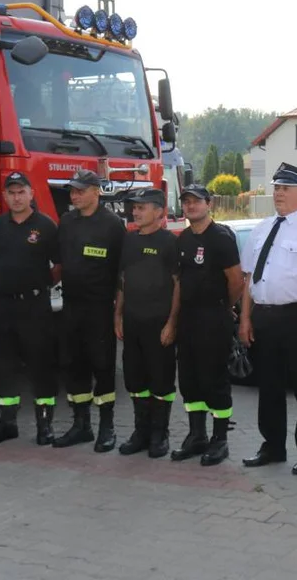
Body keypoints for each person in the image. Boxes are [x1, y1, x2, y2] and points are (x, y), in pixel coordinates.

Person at [239, 163, 297, 476]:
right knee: (269, 387)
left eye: (285, 188)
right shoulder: (261, 228)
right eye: (276, 188)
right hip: (264, 317)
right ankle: (273, 446)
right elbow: (249, 278)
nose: (278, 193)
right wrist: (245, 319)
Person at [0, 173, 62, 446]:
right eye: (12, 193)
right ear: (5, 196)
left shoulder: (46, 225)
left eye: (21, 192)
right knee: (3, 365)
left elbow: (58, 265)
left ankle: (44, 425)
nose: (16, 198)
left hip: (34, 306)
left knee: (41, 364)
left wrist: (39, 284)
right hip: (3, 305)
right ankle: (6, 423)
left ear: (31, 194)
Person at [54, 169, 126, 451]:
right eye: (72, 191)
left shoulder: (112, 225)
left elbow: (122, 273)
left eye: (80, 191)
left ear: (96, 192)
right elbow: (58, 262)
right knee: (74, 366)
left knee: (103, 366)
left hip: (99, 309)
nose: (74, 196)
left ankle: (107, 427)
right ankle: (80, 425)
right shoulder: (67, 222)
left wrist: (118, 312)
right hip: (71, 307)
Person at [172, 184, 244, 466]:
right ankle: (196, 435)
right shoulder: (183, 238)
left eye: (196, 201)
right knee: (189, 380)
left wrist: (224, 307)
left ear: (209, 203)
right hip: (188, 319)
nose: (190, 206)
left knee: (214, 379)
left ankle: (220, 439)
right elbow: (179, 281)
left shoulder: (221, 238)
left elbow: (236, 281)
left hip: (213, 318)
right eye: (186, 202)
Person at [114, 188, 181, 458]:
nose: (135, 212)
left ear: (159, 211)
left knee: (161, 380)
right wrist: (118, 315)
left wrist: (172, 323)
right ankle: (140, 432)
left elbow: (178, 285)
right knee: (135, 379)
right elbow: (123, 280)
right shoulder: (129, 241)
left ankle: (159, 434)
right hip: (133, 322)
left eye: (141, 207)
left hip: (159, 324)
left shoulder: (170, 242)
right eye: (134, 207)